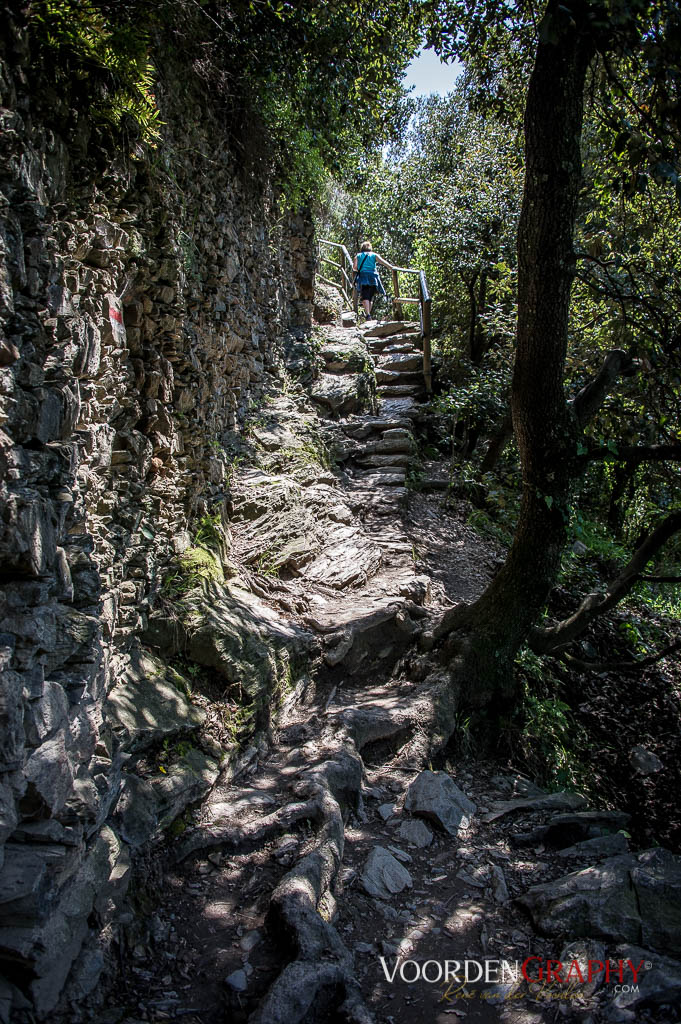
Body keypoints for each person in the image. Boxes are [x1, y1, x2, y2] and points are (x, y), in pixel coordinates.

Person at [353, 241, 394, 318]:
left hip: (363, 277)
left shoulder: (358, 256)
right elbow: (382, 262)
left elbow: (354, 267)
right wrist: (391, 268)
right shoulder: (374, 255)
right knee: (370, 297)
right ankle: (368, 314)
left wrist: (360, 269)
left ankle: (368, 314)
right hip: (373, 278)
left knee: (365, 296)